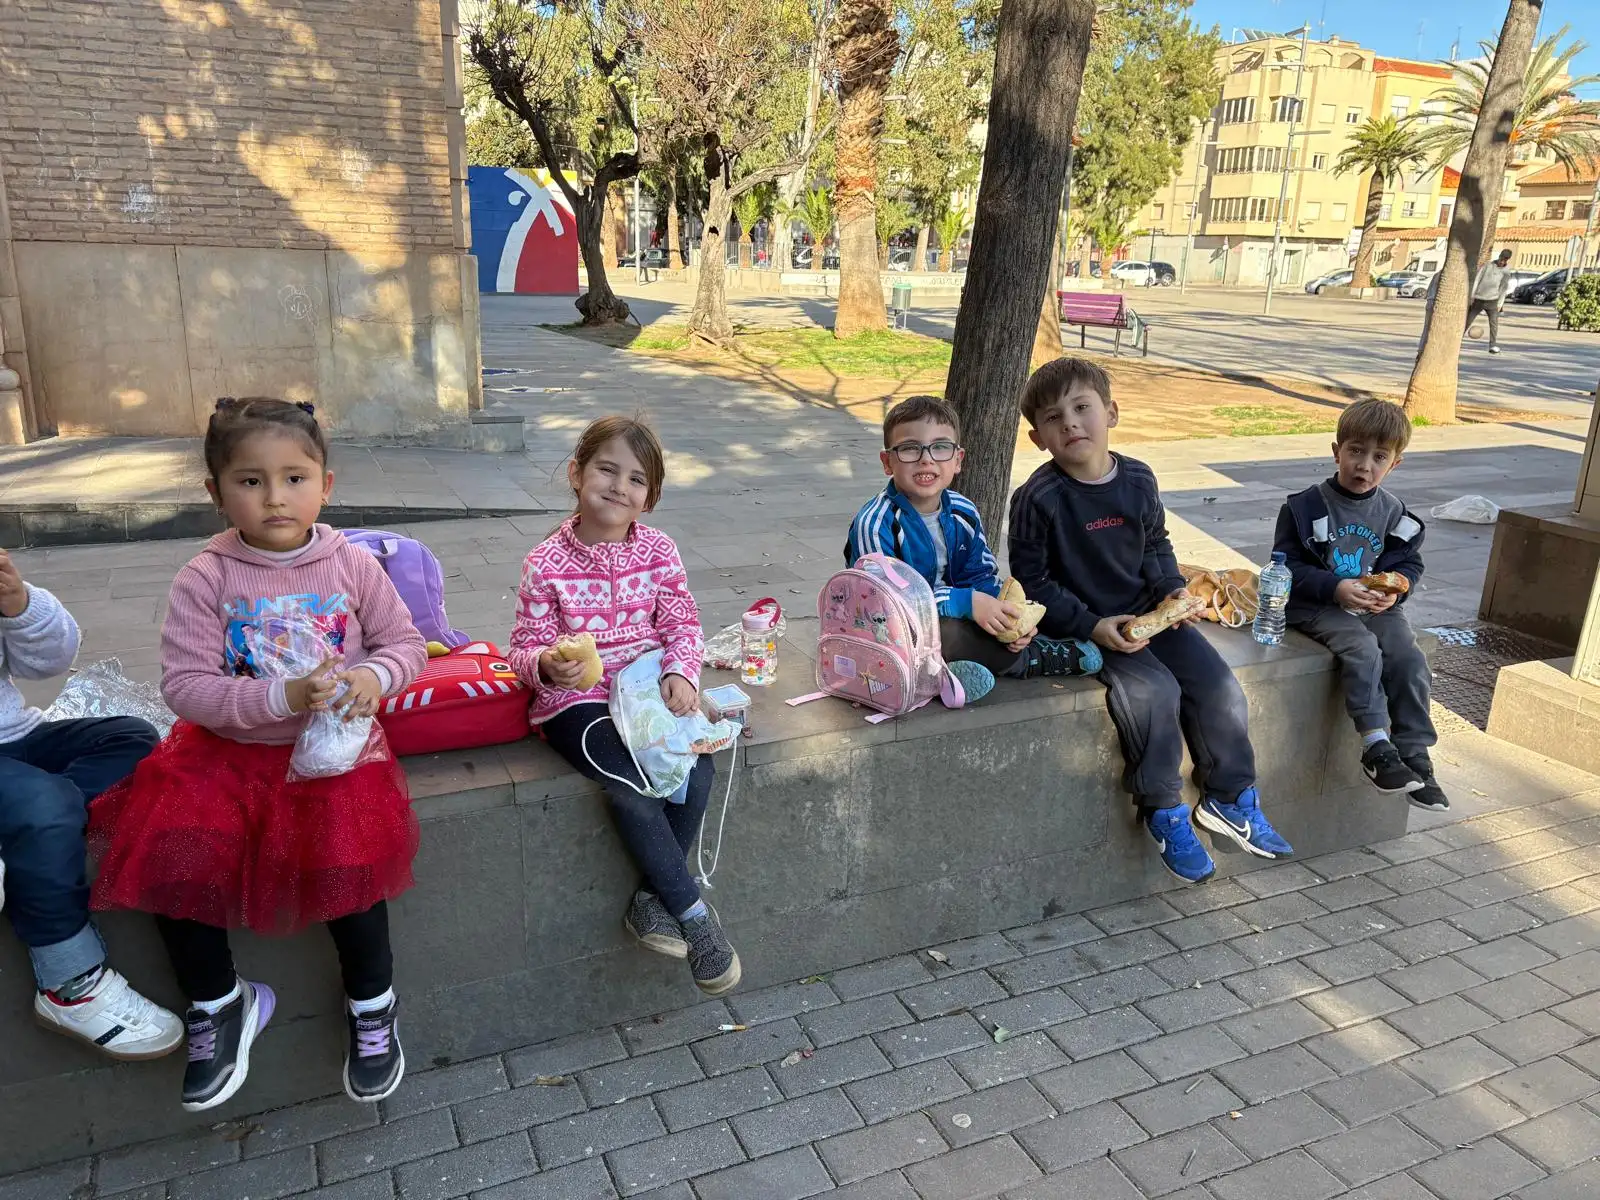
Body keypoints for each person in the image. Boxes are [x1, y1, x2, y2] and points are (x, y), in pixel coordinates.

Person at [89, 397, 427, 1112]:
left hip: (332, 760)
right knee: (175, 854)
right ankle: (219, 1001)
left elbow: (404, 644)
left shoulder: (351, 564)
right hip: (226, 757)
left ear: (325, 485)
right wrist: (281, 696)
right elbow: (185, 686)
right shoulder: (206, 577)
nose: (275, 497)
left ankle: (373, 1004)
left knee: (349, 867)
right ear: (216, 493)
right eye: (250, 481)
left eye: (294, 478)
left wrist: (374, 675)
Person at [1007, 358, 1293, 884]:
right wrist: (1091, 625)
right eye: (1053, 417)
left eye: (1082, 407)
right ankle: (1164, 810)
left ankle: (1229, 798)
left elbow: (1156, 544)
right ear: (1038, 438)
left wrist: (1171, 591)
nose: (1070, 423)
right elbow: (1034, 582)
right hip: (1089, 628)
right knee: (1154, 693)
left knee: (1218, 685)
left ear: (1111, 412)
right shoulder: (1037, 499)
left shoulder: (1138, 479)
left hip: (1153, 615)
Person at [508, 415, 739, 997]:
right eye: (607, 470)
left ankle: (650, 902)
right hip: (577, 703)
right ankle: (693, 914)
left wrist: (680, 672)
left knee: (696, 767)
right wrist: (546, 664)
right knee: (632, 787)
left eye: (636, 479)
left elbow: (683, 624)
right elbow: (523, 647)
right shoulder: (545, 562)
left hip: (647, 688)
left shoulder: (660, 551)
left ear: (649, 498)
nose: (618, 486)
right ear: (576, 473)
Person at [0, 552, 183, 1060]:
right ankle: (70, 984)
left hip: (16, 738)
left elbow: (47, 662)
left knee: (132, 738)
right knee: (42, 800)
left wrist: (20, 605)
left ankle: (29, 828)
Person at [844, 394, 1100, 688]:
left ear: (957, 460)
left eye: (941, 447)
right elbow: (885, 604)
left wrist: (1005, 617)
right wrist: (964, 602)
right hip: (887, 632)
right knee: (949, 633)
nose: (926, 458)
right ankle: (1031, 660)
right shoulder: (876, 524)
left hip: (950, 614)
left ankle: (950, 675)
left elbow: (979, 574)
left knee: (994, 616)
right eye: (910, 448)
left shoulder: (963, 510)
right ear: (887, 462)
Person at [1273, 398, 1445, 810]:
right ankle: (1376, 746)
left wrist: (1397, 589)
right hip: (1317, 605)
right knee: (1363, 648)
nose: (1364, 466)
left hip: (1373, 606)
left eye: (1379, 457)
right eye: (1356, 451)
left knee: (1409, 657)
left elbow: (1407, 563)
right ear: (1337, 452)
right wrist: (1335, 587)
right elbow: (1287, 566)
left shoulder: (1395, 514)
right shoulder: (1304, 507)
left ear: (1395, 464)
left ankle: (1415, 753)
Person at [1467, 248, 1513, 355]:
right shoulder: (1488, 265)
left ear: (1507, 260)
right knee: (1468, 320)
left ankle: (1492, 345)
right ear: (1499, 256)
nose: (1502, 261)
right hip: (1479, 298)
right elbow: (1478, 279)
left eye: (1505, 260)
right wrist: (1472, 295)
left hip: (1492, 301)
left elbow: (1503, 288)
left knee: (1494, 323)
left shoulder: (1506, 272)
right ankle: (1458, 339)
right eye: (1501, 258)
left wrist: (1500, 304)